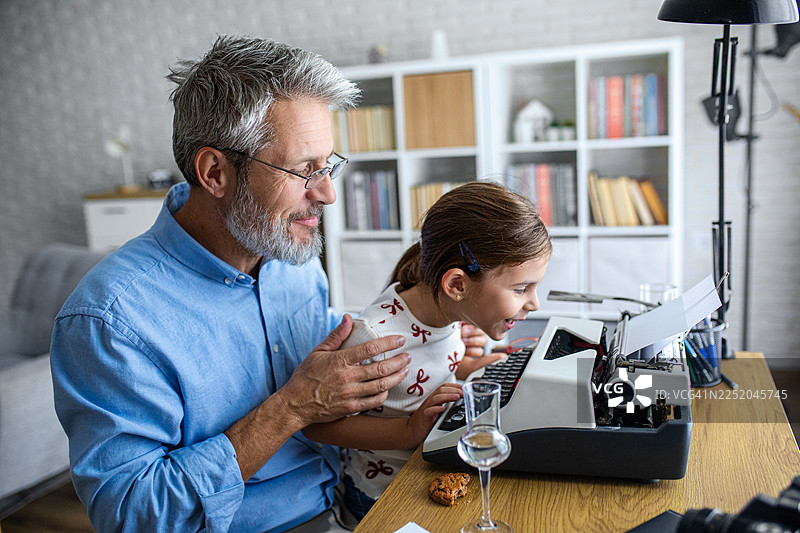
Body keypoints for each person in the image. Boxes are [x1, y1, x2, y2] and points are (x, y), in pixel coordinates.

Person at [49, 36, 487, 533]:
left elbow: (331, 368)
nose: (327, 194)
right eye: (303, 171)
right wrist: (291, 409)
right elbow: (132, 516)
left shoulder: (288, 253)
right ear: (215, 171)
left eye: (328, 165)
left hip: (351, 502)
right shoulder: (109, 320)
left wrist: (435, 348)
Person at [303, 181, 552, 519]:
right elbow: (317, 426)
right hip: (384, 495)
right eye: (522, 289)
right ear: (457, 285)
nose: (534, 303)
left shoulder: (449, 310)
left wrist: (471, 366)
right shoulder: (373, 338)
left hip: (434, 467)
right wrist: (408, 430)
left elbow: (423, 371)